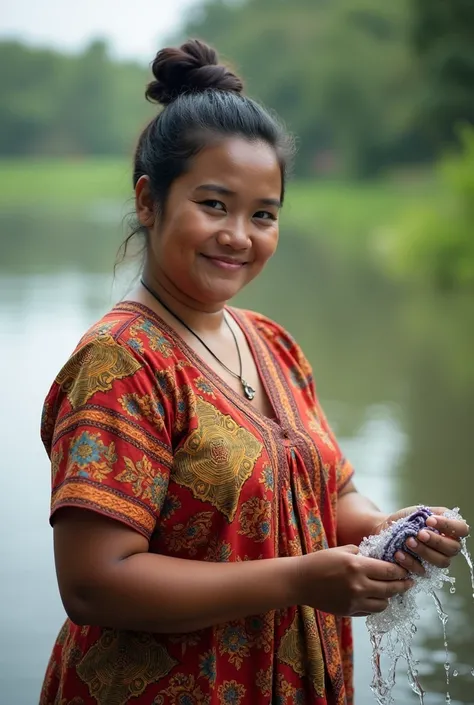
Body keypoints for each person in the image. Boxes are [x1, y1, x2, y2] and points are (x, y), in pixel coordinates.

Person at [39, 40, 469, 705]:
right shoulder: (123, 360)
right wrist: (299, 580)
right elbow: (95, 581)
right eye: (215, 204)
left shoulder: (273, 342)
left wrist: (395, 531)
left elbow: (328, 501)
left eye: (263, 214)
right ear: (149, 201)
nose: (240, 234)